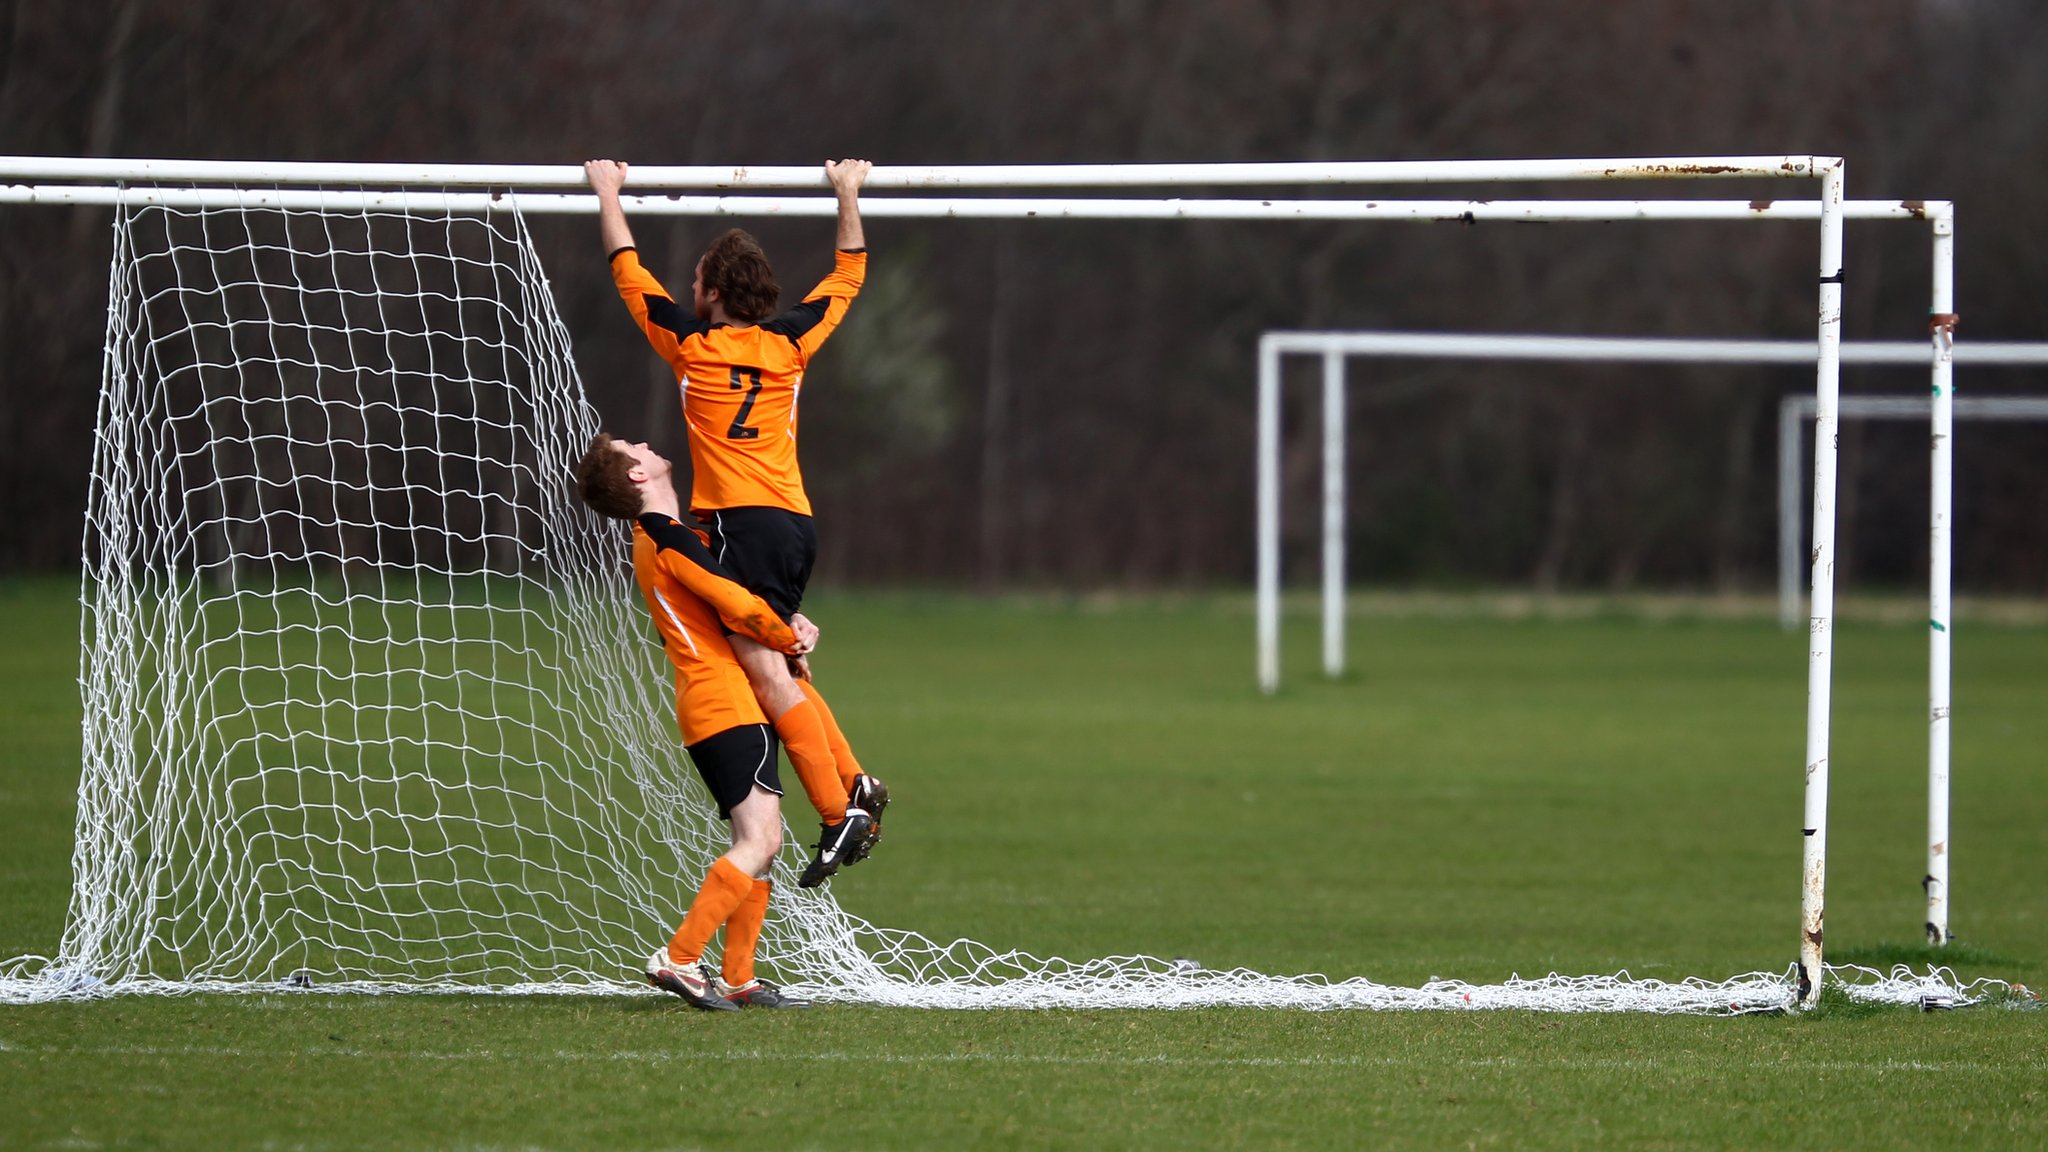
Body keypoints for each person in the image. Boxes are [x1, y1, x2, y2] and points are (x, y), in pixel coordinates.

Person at [584, 156, 886, 887]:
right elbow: (848, 272)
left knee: (765, 672)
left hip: (745, 527)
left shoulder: (691, 348)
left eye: (695, 284)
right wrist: (848, 193)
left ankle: (840, 804)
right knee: (780, 666)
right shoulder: (791, 345)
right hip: (793, 523)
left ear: (713, 295)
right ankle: (857, 787)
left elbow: (631, 275)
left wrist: (609, 195)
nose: (689, 293)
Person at [573, 431, 839, 1011]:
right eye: (632, 448)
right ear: (638, 477)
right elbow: (738, 608)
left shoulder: (681, 534)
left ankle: (740, 977)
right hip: (720, 703)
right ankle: (680, 958)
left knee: (760, 843)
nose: (644, 443)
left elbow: (740, 604)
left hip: (730, 699)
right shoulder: (665, 538)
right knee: (759, 837)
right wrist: (781, 637)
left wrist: (789, 624)